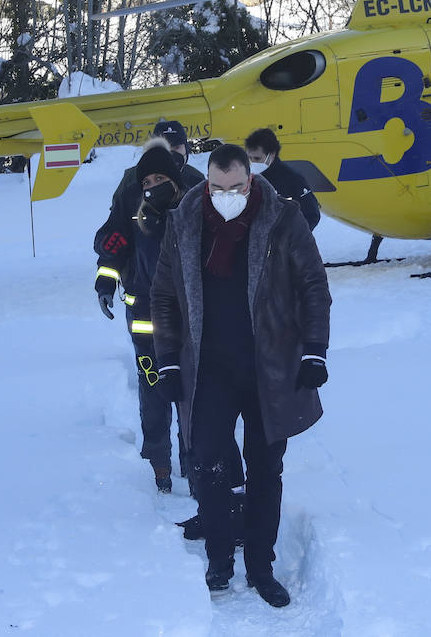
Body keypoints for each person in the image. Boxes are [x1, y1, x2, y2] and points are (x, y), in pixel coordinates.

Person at [151, 144, 331, 607]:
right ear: (205, 182)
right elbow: (164, 298)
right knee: (207, 466)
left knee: (265, 469)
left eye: (235, 188)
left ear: (250, 182)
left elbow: (314, 286)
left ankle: (260, 566)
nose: (225, 196)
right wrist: (168, 360)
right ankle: (218, 560)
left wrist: (314, 352)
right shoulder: (184, 223)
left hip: (270, 369)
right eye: (216, 188)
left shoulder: (282, 220)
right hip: (208, 370)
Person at [92, 120, 206, 492]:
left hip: (191, 316)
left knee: (194, 390)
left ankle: (194, 460)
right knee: (154, 385)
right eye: (149, 178)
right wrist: (106, 278)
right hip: (144, 314)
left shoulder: (197, 189)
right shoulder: (130, 190)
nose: (154, 183)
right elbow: (113, 240)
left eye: (175, 154)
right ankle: (159, 462)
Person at [244, 127, 322, 230]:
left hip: (283, 242)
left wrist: (289, 238)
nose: (253, 162)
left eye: (257, 158)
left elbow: (312, 215)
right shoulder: (247, 177)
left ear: (271, 155)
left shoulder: (293, 179)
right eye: (249, 158)